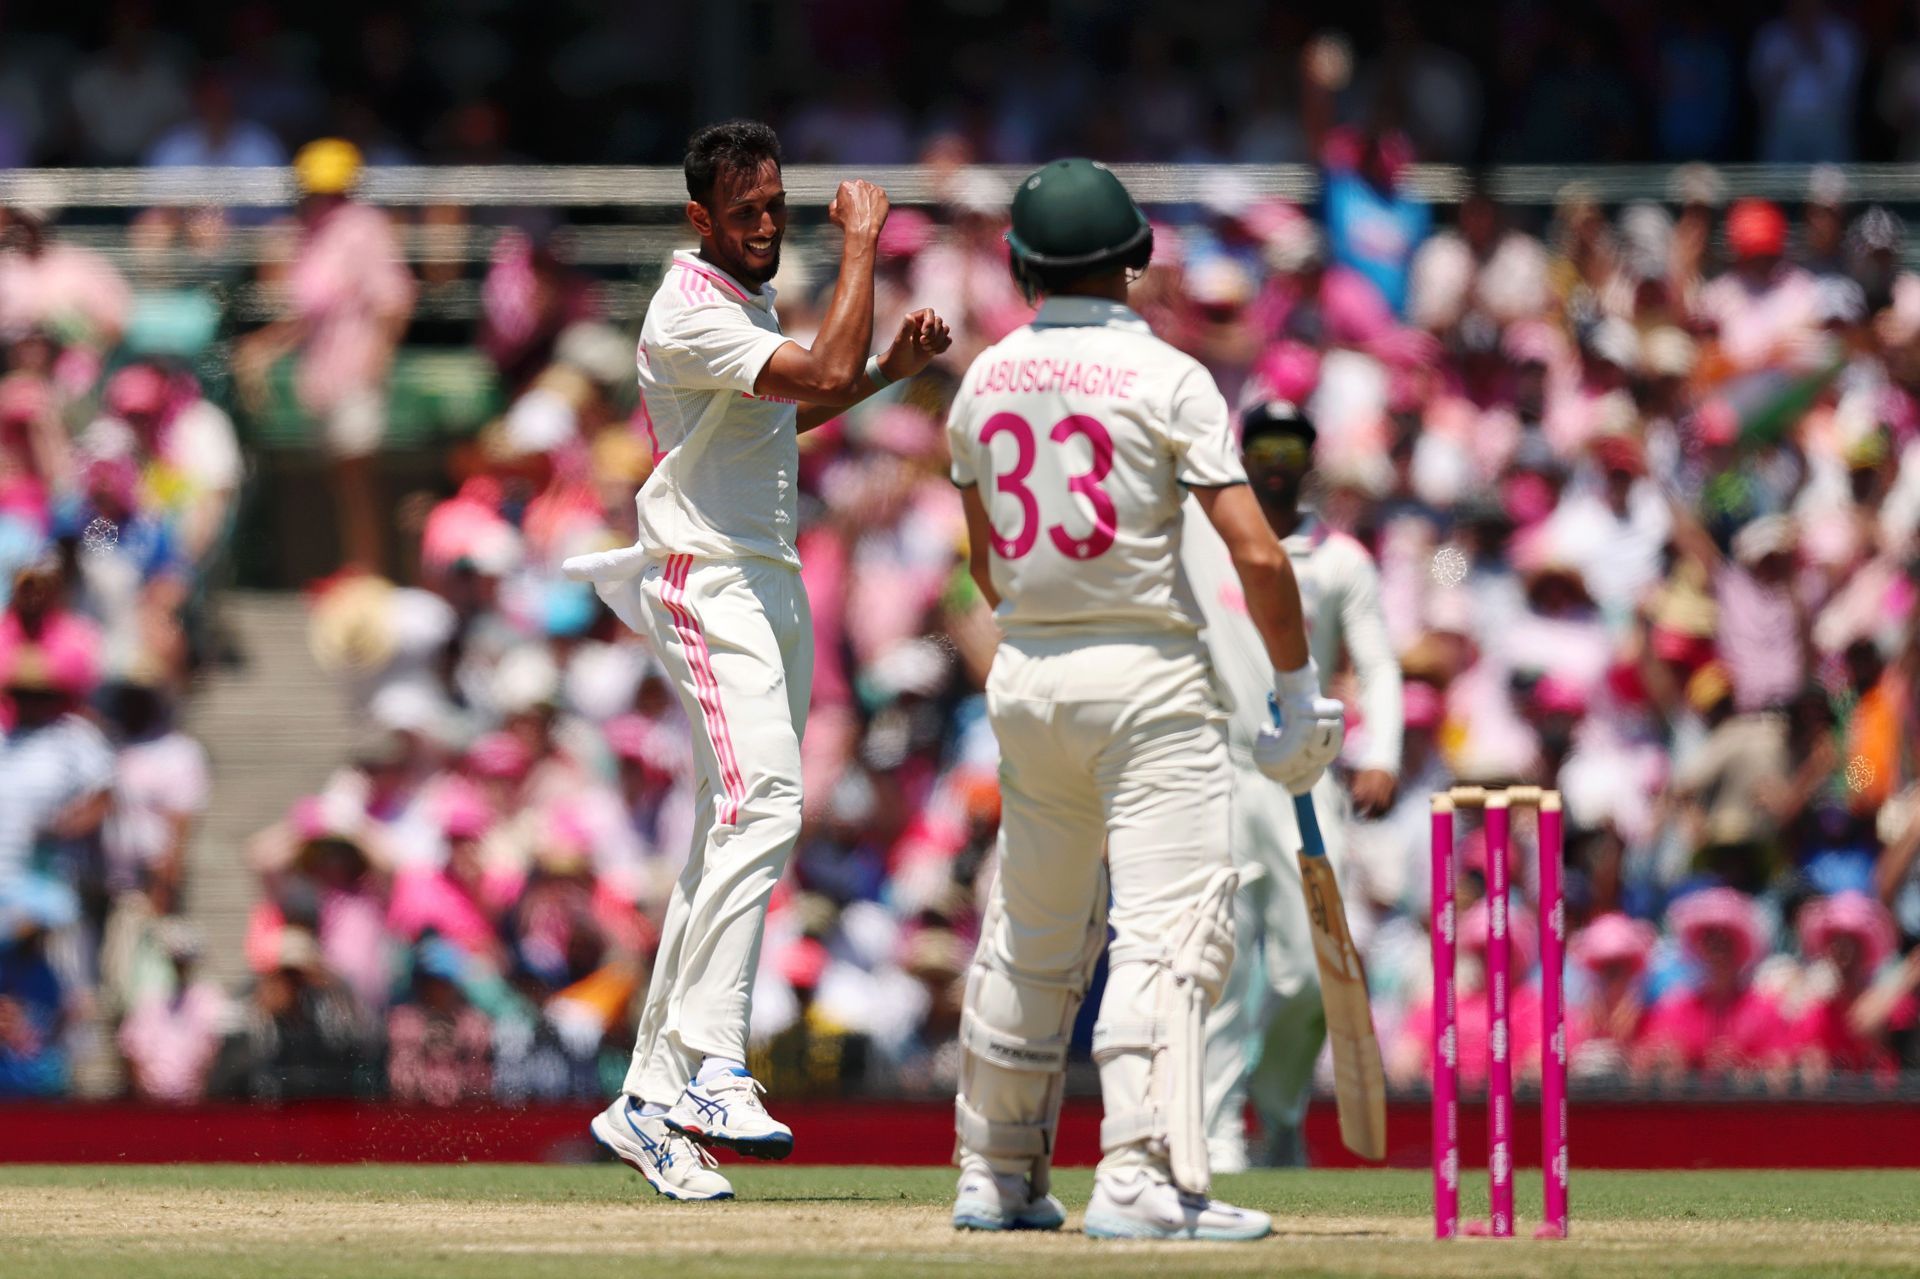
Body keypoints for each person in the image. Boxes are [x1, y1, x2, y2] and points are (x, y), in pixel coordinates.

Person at [941, 158, 1343, 1242]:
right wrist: (1299, 698)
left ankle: (996, 1172)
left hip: (1027, 675)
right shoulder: (1169, 377)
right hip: (1149, 677)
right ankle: (1140, 1173)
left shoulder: (983, 380)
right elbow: (1259, 556)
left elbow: (984, 568)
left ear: (1021, 264)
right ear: (1137, 257)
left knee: (1034, 929)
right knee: (1170, 930)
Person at [565, 121, 950, 1202]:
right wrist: (863, 243)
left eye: (777, 206)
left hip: (764, 578)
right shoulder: (689, 305)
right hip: (708, 577)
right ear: (700, 220)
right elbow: (817, 365)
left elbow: (803, 397)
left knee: (724, 833)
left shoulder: (745, 300)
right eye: (747, 215)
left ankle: (645, 1099)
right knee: (768, 799)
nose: (770, 225)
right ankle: (713, 1067)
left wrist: (888, 372)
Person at [1186, 400, 1403, 1171]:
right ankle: (1213, 1132)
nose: (1278, 460)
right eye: (1265, 444)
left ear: (1309, 458)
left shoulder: (1340, 559)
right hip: (1211, 771)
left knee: (1313, 970)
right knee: (1220, 956)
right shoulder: (1201, 538)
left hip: (1304, 780)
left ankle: (1276, 1112)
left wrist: (1384, 751)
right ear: (1243, 453)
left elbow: (1377, 662)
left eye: (1292, 446)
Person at [234, 138, 416, 572]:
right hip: (323, 378)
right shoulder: (308, 235)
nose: (320, 198)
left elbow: (394, 300)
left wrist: (377, 360)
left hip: (356, 373)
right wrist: (263, 347)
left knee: (357, 478)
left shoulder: (363, 227)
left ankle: (370, 572)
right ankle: (355, 568)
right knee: (340, 481)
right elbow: (307, 314)